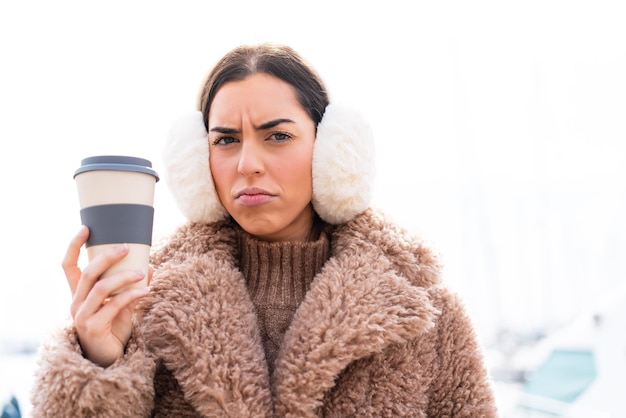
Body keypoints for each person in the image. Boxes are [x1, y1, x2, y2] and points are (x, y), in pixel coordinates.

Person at [31, 43, 498, 417]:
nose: (247, 164)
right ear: (198, 161)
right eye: (226, 141)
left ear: (332, 150)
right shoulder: (145, 307)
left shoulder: (424, 312)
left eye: (277, 136)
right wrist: (101, 361)